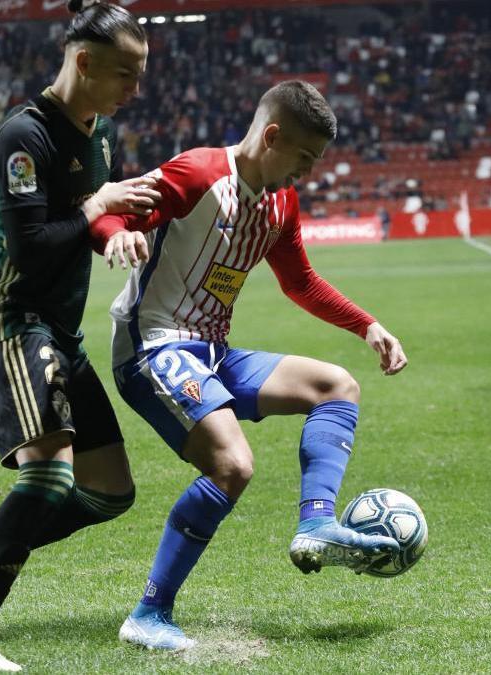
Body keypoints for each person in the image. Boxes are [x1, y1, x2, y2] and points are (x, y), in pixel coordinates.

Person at [90, 80, 407, 651]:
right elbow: (112, 213)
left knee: (337, 386)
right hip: (151, 346)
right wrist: (114, 237)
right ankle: (147, 614)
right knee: (233, 465)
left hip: (212, 351)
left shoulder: (282, 203)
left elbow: (301, 282)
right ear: (273, 135)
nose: (307, 173)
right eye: (305, 158)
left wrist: (368, 325)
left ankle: (315, 523)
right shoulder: (198, 173)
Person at [0, 2, 161, 671]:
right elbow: (33, 247)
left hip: (58, 332)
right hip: (11, 320)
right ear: (83, 63)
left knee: (111, 490)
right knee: (51, 472)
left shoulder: (94, 135)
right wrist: (101, 203)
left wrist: (114, 232)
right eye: (125, 74)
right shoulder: (22, 136)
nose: (135, 90)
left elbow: (82, 221)